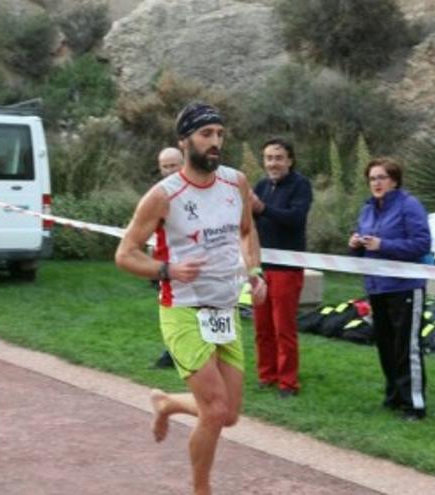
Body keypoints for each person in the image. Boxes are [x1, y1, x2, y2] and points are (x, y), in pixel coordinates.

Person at [115, 101, 266, 495]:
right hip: (182, 310)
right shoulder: (164, 195)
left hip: (224, 310)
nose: (215, 142)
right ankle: (201, 489)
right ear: (184, 141)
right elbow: (125, 253)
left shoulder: (236, 182)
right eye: (206, 134)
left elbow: (247, 231)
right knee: (214, 410)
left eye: (219, 134)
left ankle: (166, 403)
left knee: (229, 414)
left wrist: (255, 272)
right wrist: (167, 269)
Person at [349, 157, 431, 421]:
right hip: (377, 286)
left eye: (381, 177)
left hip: (405, 286)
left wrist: (383, 245)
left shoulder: (410, 206)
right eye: (372, 178)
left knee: (407, 345)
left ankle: (414, 404)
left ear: (394, 180)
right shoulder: (367, 209)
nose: (376, 183)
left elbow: (421, 244)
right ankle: (394, 394)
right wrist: (355, 244)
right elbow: (364, 248)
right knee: (385, 344)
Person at [249, 137, 313, 398]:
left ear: (289, 160)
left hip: (287, 267)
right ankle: (267, 375)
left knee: (283, 327)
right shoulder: (261, 185)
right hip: (261, 267)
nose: (273, 163)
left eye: (278, 158)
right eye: (268, 158)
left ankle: (288, 382)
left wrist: (263, 208)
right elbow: (249, 220)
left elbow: (295, 219)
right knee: (262, 327)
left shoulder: (301, 185)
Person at [153, 146, 184, 369]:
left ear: (182, 164)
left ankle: (179, 353)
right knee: (169, 309)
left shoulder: (193, 190)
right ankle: (171, 352)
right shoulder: (158, 193)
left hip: (189, 262)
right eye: (165, 167)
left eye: (173, 165)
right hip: (166, 263)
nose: (170, 170)